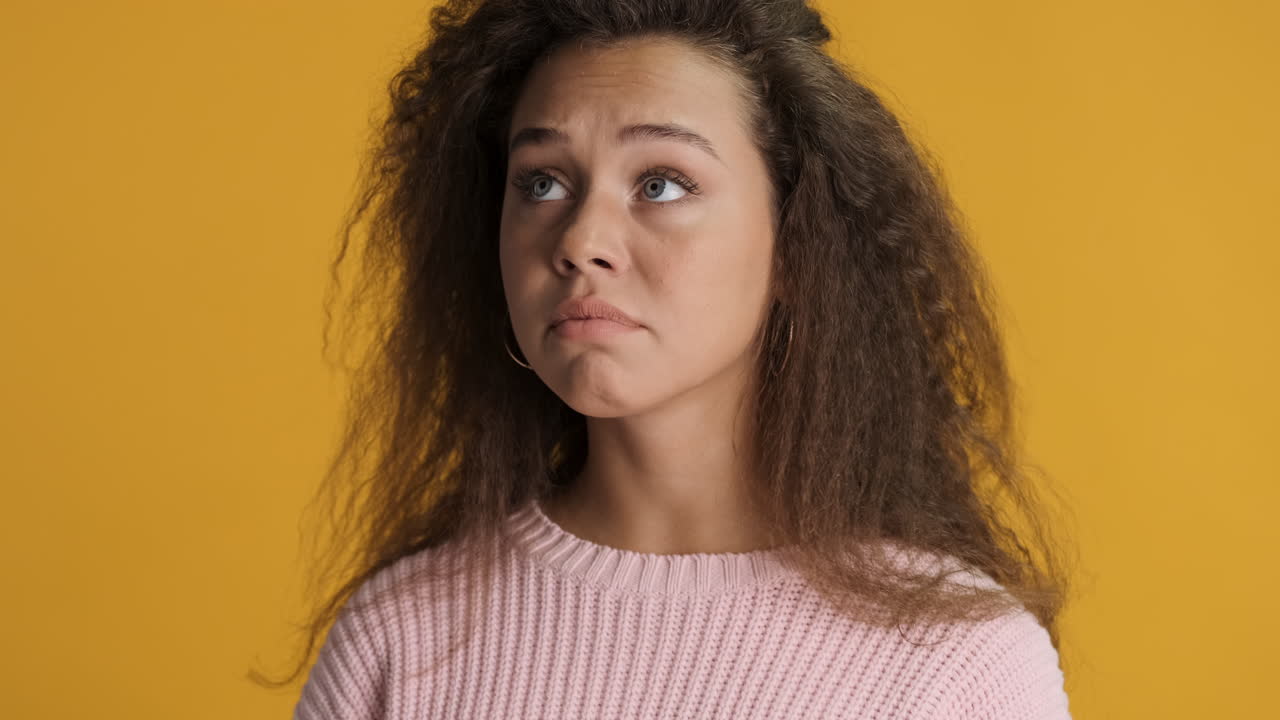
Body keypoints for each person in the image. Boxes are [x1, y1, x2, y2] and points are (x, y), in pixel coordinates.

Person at [258, 0, 1078, 717]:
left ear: (796, 247)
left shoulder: (959, 664)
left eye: (661, 184)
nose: (580, 241)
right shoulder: (399, 641)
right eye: (541, 183)